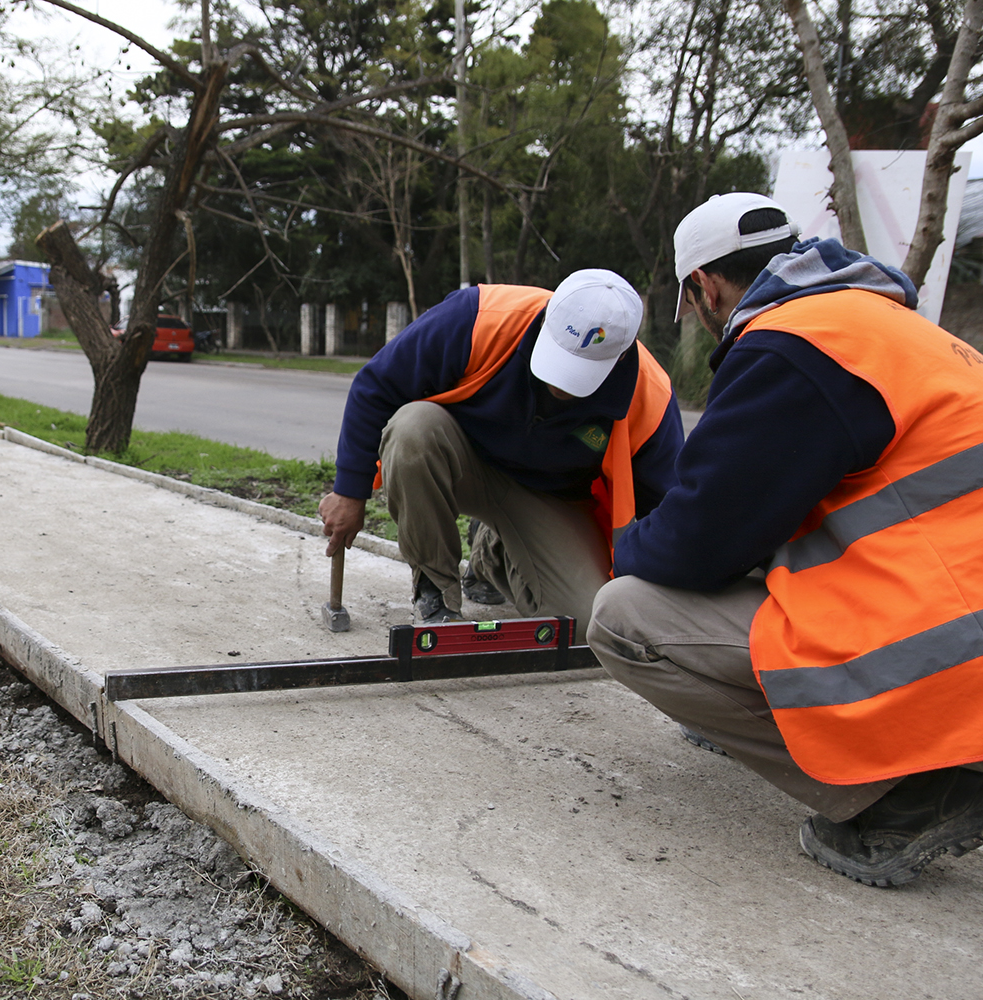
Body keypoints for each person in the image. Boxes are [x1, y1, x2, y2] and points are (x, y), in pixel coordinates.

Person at [588, 191, 983, 887]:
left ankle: (900, 802)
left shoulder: (791, 346)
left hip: (947, 644)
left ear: (704, 287)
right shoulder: (885, 325)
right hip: (955, 608)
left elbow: (700, 540)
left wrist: (623, 548)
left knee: (624, 619)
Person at [319, 270, 684, 627]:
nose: (561, 385)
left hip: (550, 499)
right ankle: (436, 590)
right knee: (412, 429)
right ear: (545, 319)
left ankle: (492, 553)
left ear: (620, 357)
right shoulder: (481, 317)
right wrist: (350, 491)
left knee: (589, 623)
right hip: (459, 463)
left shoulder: (649, 395)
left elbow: (665, 505)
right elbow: (376, 386)